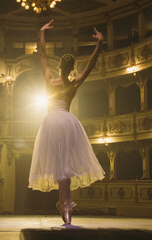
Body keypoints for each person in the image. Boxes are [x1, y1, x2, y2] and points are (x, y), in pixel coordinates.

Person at [28, 19, 105, 225]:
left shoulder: (50, 80)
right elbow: (91, 65)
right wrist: (99, 43)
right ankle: (66, 203)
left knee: (61, 163)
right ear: (72, 68)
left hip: (53, 121)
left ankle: (65, 203)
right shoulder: (74, 83)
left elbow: (42, 55)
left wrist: (42, 32)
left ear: (60, 65)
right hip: (68, 122)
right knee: (65, 165)